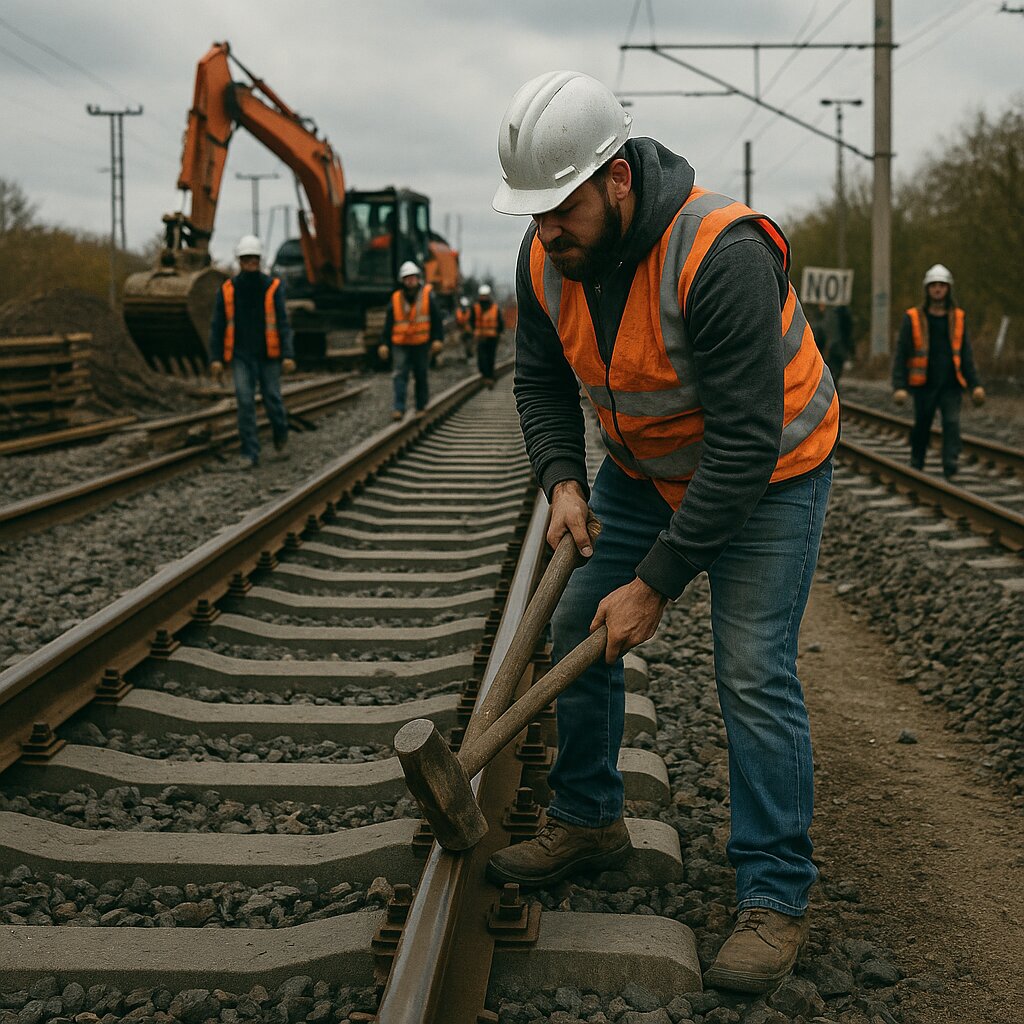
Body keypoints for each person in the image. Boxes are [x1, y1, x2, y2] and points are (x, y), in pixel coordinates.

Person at [488, 70, 839, 994]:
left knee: (752, 671)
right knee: (573, 623)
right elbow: (539, 381)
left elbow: (744, 448)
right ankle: (589, 817)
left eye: (560, 206)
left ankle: (774, 893)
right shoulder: (544, 260)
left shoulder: (718, 254)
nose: (546, 230)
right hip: (648, 469)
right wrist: (564, 481)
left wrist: (656, 582)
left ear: (616, 180)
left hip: (767, 475)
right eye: (532, 213)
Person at [209, 234, 296, 469]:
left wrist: (288, 354)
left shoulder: (273, 287)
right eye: (246, 259)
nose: (250, 263)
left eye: (254, 259)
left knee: (272, 399)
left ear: (259, 260)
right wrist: (215, 358)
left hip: (269, 355)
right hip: (240, 355)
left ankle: (281, 434)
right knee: (245, 402)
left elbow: (282, 323)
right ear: (239, 261)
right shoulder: (227, 290)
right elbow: (217, 325)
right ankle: (250, 453)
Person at [891, 264, 985, 479]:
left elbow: (966, 354)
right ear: (927, 289)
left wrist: (975, 384)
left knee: (951, 424)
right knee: (922, 424)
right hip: (924, 383)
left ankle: (950, 464)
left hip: (951, 384)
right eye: (933, 285)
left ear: (948, 288)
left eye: (942, 285)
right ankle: (917, 461)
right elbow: (902, 354)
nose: (937, 289)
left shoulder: (958, 318)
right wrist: (899, 385)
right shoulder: (913, 317)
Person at [378, 261, 445, 421]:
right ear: (402, 280)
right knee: (399, 376)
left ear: (418, 278)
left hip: (421, 344)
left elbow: (437, 320)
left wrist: (438, 339)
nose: (410, 281)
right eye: (407, 278)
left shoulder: (428, 296)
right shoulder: (395, 299)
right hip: (400, 344)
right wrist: (384, 343)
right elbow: (388, 324)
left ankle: (421, 407)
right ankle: (398, 408)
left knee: (421, 375)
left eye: (412, 277)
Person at [471, 283, 504, 388]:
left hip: (492, 338)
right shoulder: (475, 308)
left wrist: (498, 333)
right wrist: (474, 332)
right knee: (482, 358)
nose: (483, 297)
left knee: (490, 358)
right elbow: (471, 321)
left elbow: (500, 322)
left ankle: (489, 376)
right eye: (482, 295)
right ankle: (486, 376)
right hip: (481, 337)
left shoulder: (494, 308)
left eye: (485, 295)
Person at [456, 296, 474, 362]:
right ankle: (464, 357)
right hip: (462, 331)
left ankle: (468, 355)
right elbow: (458, 321)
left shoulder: (469, 312)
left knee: (468, 344)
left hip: (468, 331)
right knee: (462, 345)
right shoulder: (459, 312)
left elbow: (472, 321)